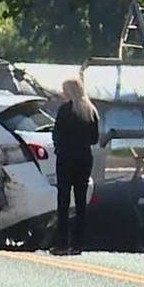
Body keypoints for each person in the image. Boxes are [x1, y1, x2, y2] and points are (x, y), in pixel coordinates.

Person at [51, 76, 99, 255]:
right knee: (81, 202)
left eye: (65, 90)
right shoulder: (90, 111)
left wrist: (60, 147)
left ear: (70, 91)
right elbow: (94, 139)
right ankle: (78, 243)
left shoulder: (65, 110)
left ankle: (62, 243)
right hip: (84, 158)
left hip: (65, 158)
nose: (63, 93)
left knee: (63, 200)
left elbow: (57, 134)